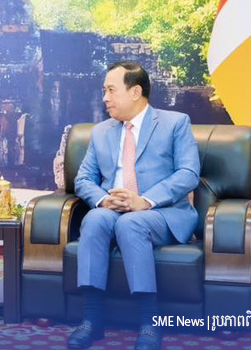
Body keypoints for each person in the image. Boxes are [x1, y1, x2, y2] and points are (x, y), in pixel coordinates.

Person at [67, 62, 200, 350]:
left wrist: (145, 200)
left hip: (162, 212)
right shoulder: (101, 132)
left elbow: (189, 173)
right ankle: (91, 320)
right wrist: (104, 199)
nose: (105, 98)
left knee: (132, 222)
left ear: (136, 92)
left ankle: (150, 322)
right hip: (112, 210)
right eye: (104, 91)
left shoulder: (175, 123)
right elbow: (83, 179)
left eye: (111, 90)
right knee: (94, 219)